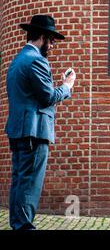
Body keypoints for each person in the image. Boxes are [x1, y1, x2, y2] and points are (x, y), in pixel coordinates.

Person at [5, 15, 76, 230]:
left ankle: (18, 224)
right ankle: (24, 226)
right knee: (29, 185)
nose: (53, 45)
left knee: (19, 182)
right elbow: (47, 97)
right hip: (33, 133)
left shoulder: (18, 59)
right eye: (52, 40)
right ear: (42, 37)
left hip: (19, 131)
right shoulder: (36, 60)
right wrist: (67, 86)